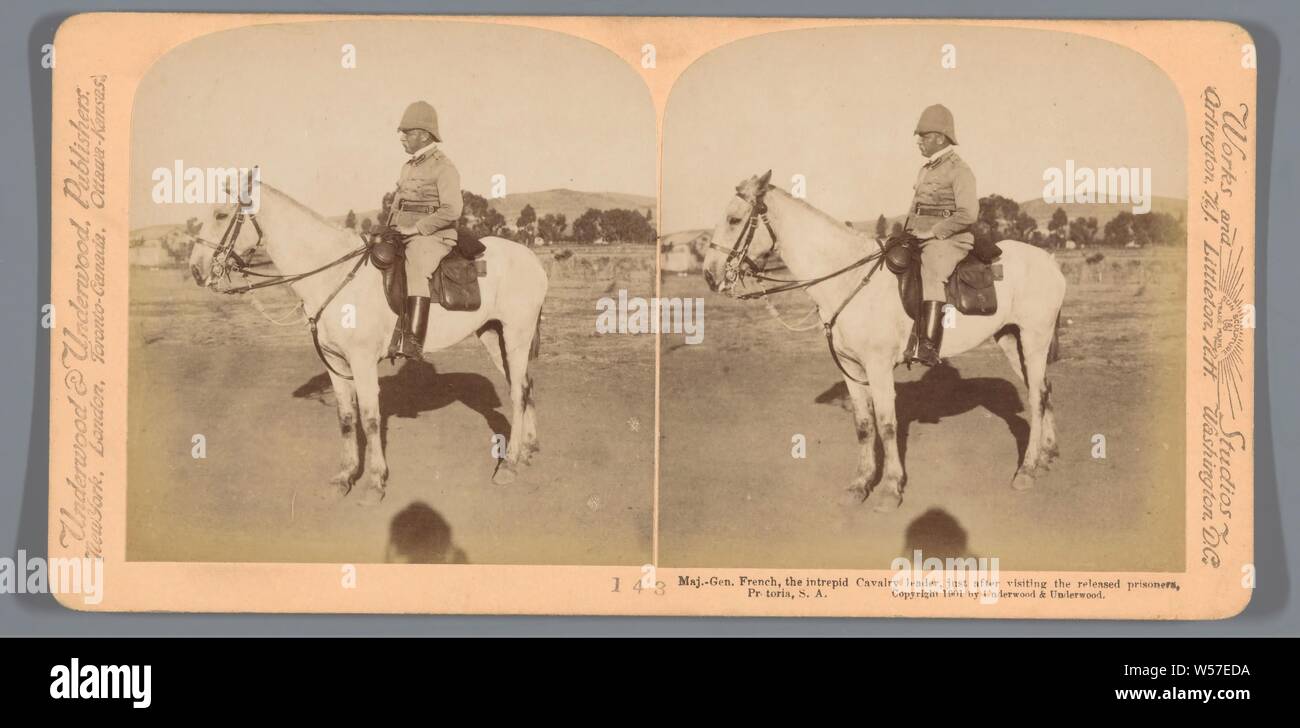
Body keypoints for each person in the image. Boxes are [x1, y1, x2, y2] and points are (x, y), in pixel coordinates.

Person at [386, 100, 463, 361]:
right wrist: (388, 230)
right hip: (403, 232)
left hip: (433, 236)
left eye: (407, 133)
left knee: (415, 267)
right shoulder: (408, 166)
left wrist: (416, 229)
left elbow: (452, 210)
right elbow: (398, 204)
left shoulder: (444, 167)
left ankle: (413, 342)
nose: (402, 138)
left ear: (424, 135)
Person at [903, 103, 977, 366]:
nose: (918, 142)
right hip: (919, 235)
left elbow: (968, 214)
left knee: (932, 272)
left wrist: (932, 233)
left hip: (950, 239)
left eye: (923, 136)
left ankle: (928, 345)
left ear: (939, 137)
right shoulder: (927, 168)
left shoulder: (959, 170)